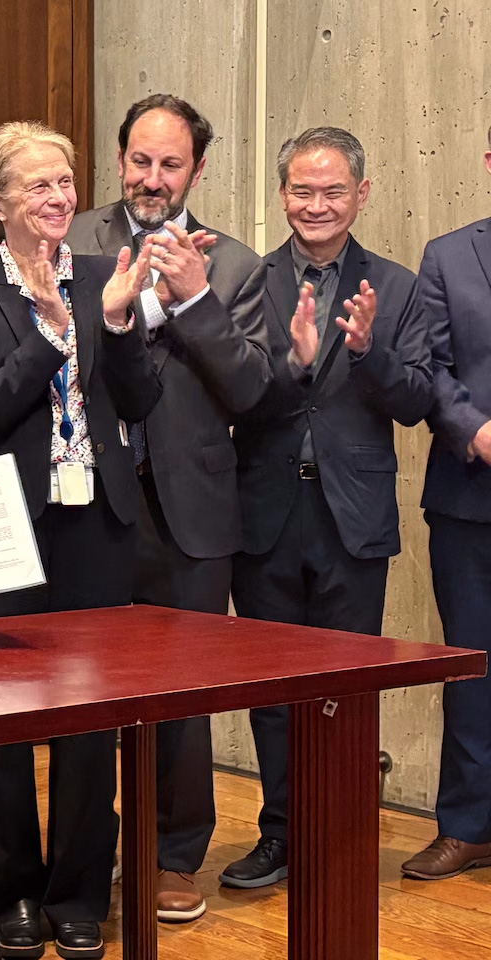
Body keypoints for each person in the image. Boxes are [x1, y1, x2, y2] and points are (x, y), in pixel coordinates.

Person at [0, 121, 161, 960]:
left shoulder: (107, 275)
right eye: (39, 186)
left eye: (66, 182)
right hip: (3, 527)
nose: (61, 197)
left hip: (94, 524)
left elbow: (139, 402)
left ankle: (77, 894)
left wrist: (123, 325)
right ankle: (9, 895)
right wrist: (51, 331)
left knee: (86, 726)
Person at [65, 93, 270, 922]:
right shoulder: (70, 237)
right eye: (141, 161)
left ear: (198, 169)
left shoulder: (235, 264)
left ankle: (173, 855)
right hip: (88, 503)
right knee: (81, 691)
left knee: (183, 694)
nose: (153, 179)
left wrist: (192, 301)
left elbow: (251, 387)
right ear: (120, 160)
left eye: (171, 164)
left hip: (189, 509)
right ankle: (81, 859)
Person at [226, 127, 432, 890]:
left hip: (354, 513)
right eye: (302, 191)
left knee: (347, 686)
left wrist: (371, 351)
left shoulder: (399, 285)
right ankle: (279, 832)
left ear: (362, 195)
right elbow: (238, 392)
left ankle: (337, 835)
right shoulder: (248, 279)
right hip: (265, 509)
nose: (317, 205)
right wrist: (294, 363)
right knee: (275, 690)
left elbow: (415, 402)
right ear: (282, 194)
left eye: (333, 191)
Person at [400, 132, 491, 881]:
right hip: (470, 502)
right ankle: (466, 825)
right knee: (472, 670)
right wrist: (475, 430)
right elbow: (428, 366)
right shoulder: (449, 255)